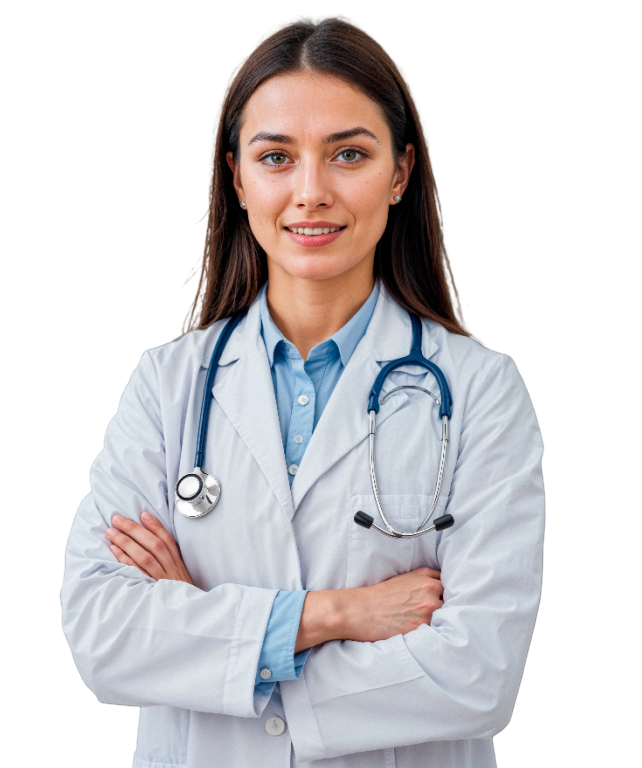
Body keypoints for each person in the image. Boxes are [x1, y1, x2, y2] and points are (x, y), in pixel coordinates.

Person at [60, 14, 545, 768]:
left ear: (400, 172)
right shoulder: (168, 384)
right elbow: (102, 633)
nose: (310, 192)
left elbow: (479, 674)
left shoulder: (483, 392)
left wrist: (210, 637)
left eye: (348, 153)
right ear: (238, 176)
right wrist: (334, 616)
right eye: (277, 156)